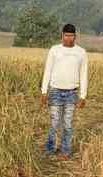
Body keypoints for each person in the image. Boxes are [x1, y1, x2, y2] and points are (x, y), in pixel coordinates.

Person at [41, 23, 88, 160]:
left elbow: (83, 74)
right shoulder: (54, 50)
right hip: (55, 91)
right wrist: (44, 91)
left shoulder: (81, 53)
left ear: (75, 37)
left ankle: (65, 151)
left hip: (72, 93)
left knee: (68, 124)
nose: (68, 38)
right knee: (55, 122)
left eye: (71, 36)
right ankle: (50, 149)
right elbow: (47, 71)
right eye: (66, 35)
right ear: (62, 35)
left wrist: (83, 96)